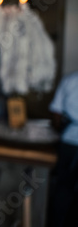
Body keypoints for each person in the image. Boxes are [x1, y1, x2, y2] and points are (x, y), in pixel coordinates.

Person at [49, 71, 78, 227]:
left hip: (68, 143)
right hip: (68, 142)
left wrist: (57, 130)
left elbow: (56, 111)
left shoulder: (70, 80)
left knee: (63, 188)